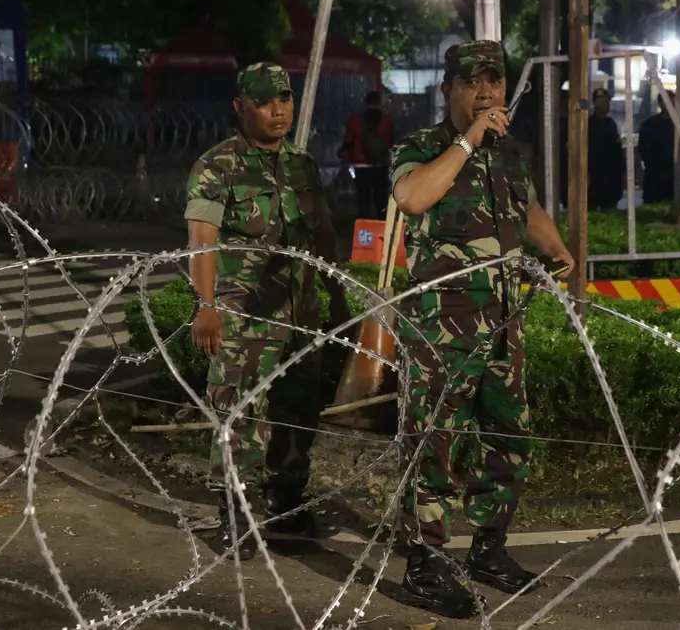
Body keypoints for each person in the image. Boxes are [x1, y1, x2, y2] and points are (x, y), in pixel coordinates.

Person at [389, 40, 574, 618]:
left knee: (509, 437)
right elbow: (413, 198)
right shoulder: (421, 148)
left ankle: (488, 549)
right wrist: (467, 142)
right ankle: (425, 564)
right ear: (448, 89)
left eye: (494, 81)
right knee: (434, 443)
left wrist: (559, 249)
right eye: (473, 82)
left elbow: (528, 210)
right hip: (440, 331)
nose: (486, 91)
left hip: (503, 323)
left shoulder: (507, 153)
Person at [184, 62, 351, 560]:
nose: (277, 110)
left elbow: (321, 231)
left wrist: (335, 290)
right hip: (243, 314)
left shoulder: (302, 165)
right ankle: (234, 511)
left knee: (299, 408)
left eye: (284, 100)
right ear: (240, 108)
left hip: (300, 309)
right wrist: (206, 308)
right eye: (264, 101)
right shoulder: (217, 166)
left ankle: (288, 498)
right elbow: (200, 243)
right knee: (238, 410)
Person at [340, 90, 396, 219]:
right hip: (381, 165)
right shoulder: (387, 120)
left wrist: (345, 155)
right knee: (381, 202)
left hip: (361, 166)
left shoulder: (355, 120)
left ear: (365, 103)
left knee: (363, 202)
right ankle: (382, 231)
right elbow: (391, 142)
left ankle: (364, 234)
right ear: (379, 102)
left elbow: (348, 142)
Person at [588, 86, 625, 210]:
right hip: (594, 176)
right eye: (601, 102)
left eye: (606, 102)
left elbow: (617, 151)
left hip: (611, 177)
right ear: (594, 103)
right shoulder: (588, 125)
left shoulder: (611, 124)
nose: (604, 105)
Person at [638, 91, 677, 204]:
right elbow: (642, 147)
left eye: (672, 100)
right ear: (660, 104)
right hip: (655, 174)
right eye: (666, 101)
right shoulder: (650, 125)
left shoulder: (679, 124)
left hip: (674, 174)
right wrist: (651, 163)